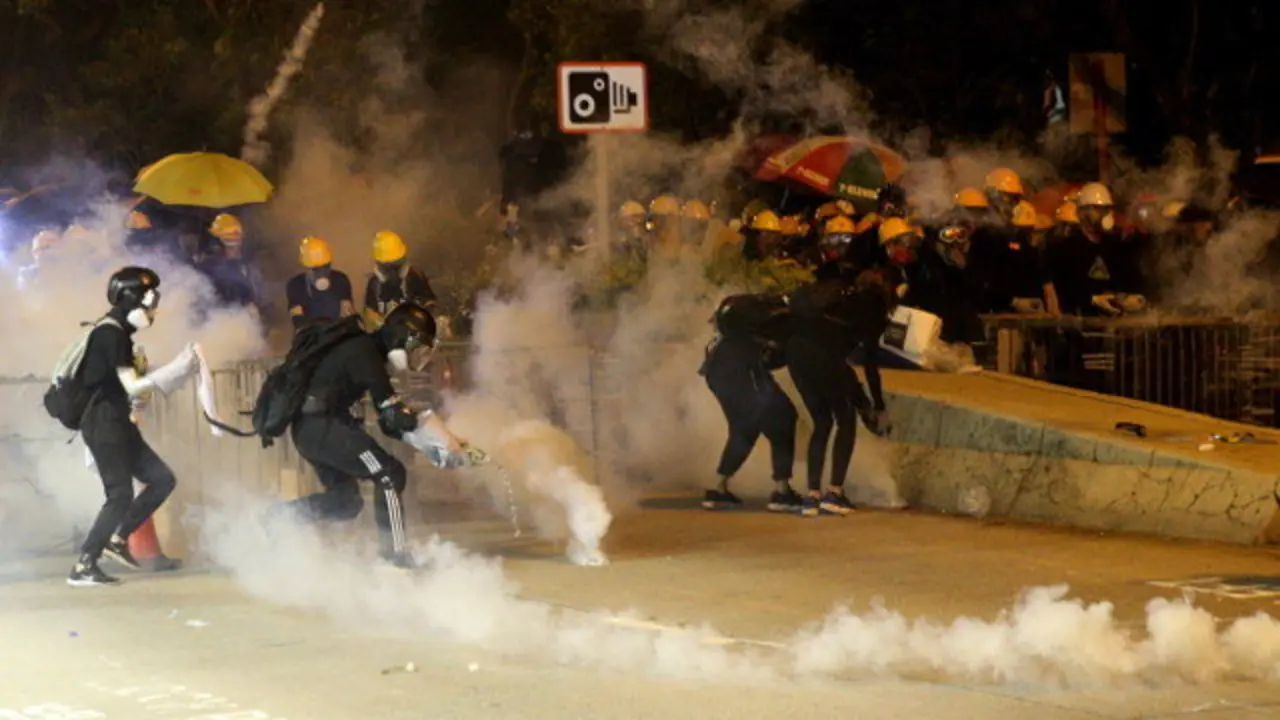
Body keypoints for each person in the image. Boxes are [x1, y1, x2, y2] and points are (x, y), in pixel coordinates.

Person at [275, 303, 485, 568]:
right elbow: (395, 415)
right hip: (320, 426)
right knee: (389, 473)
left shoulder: (365, 351)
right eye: (415, 346)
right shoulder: (365, 354)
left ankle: (274, 519)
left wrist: (438, 443)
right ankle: (394, 556)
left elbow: (390, 422)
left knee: (345, 502)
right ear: (401, 336)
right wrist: (439, 438)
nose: (415, 355)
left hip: (314, 427)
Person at [69, 267, 200, 586]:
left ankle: (117, 539)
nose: (153, 308)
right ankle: (84, 564)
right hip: (103, 423)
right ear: (131, 299)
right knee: (119, 494)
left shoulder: (119, 334)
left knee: (161, 479)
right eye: (149, 300)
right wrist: (178, 370)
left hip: (118, 422)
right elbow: (134, 387)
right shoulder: (110, 334)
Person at [785, 266, 894, 517]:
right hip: (825, 356)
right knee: (846, 421)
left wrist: (862, 399)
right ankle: (835, 492)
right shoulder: (872, 309)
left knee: (822, 422)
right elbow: (869, 365)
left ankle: (812, 495)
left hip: (796, 355)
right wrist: (877, 405)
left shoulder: (838, 298)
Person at [700, 296, 802, 513]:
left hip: (716, 370)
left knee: (744, 428)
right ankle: (782, 493)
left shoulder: (746, 316)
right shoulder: (788, 320)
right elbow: (776, 357)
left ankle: (718, 489)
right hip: (744, 370)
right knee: (783, 418)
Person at [363, 230, 436, 330]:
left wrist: (422, 318)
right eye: (388, 267)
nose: (393, 272)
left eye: (396, 265)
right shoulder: (375, 283)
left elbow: (429, 301)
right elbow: (369, 310)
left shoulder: (415, 276)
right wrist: (382, 324)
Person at [286, 235, 355, 330]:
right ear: (307, 268)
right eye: (316, 270)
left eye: (326, 267)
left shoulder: (340, 280)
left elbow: (348, 315)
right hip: (310, 337)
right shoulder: (296, 285)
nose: (322, 273)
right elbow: (299, 322)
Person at [200, 213, 264, 308]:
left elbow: (248, 299)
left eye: (237, 243)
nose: (236, 248)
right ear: (217, 244)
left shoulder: (240, 267)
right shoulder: (207, 269)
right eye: (231, 244)